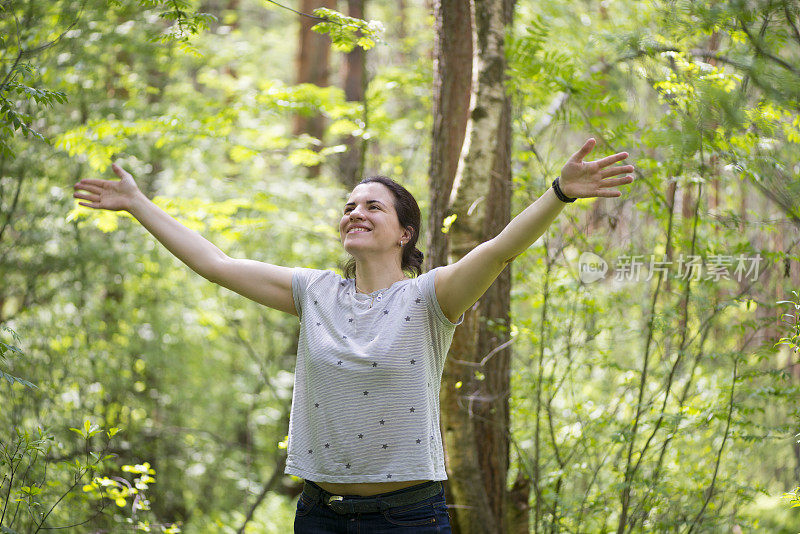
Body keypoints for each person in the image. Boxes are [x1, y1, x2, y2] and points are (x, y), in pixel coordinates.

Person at [72, 138, 633, 532]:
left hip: (407, 518)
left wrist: (560, 192)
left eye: (372, 206)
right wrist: (138, 204)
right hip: (320, 514)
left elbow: (500, 248)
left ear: (404, 233)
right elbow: (215, 264)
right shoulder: (314, 292)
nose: (355, 212)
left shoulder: (430, 298)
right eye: (349, 206)